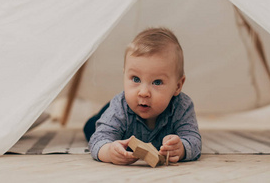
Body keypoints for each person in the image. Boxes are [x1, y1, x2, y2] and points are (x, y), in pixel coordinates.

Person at [86, 27, 201, 165]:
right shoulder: (120, 107)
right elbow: (99, 138)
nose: (144, 92)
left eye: (157, 82)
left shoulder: (182, 106)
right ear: (125, 75)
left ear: (177, 86)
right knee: (90, 128)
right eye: (135, 79)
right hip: (120, 109)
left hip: (131, 104)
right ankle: (96, 117)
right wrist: (109, 151)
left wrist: (181, 148)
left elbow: (193, 139)